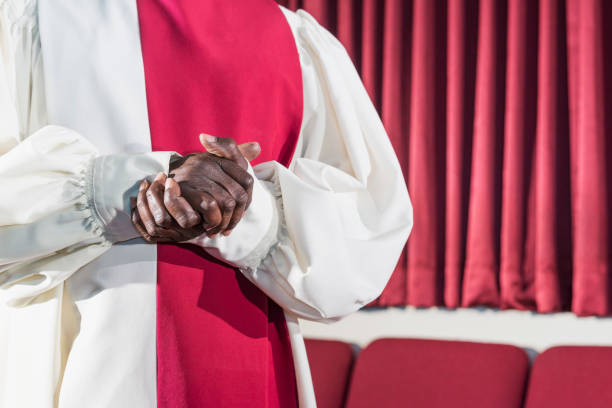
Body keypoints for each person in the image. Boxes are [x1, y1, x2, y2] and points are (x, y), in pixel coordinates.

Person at [0, 0, 413, 407]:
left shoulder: (296, 41)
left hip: (246, 361)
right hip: (85, 362)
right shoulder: (26, 19)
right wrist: (134, 191)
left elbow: (364, 240)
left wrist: (243, 208)